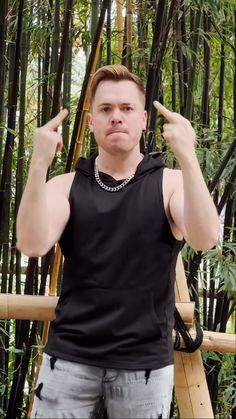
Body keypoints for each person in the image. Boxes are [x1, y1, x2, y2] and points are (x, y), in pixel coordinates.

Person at [16, 64, 219, 419]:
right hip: (69, 357)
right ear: (91, 121)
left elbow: (205, 238)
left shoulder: (169, 182)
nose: (116, 118)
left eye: (126, 109)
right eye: (106, 109)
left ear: (143, 120)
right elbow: (32, 244)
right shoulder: (66, 185)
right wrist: (38, 163)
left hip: (144, 366)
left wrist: (188, 155)